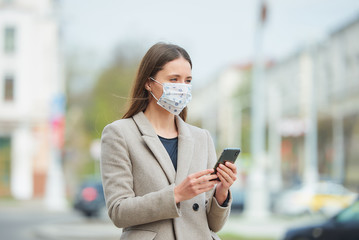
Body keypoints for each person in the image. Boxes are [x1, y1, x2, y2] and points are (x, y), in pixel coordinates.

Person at [100, 42, 238, 240]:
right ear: (149, 83)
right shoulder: (119, 133)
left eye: (188, 80)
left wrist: (221, 191)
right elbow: (119, 212)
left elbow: (213, 224)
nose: (182, 88)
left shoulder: (202, 138)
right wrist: (176, 194)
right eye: (174, 79)